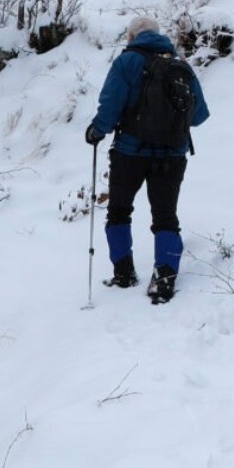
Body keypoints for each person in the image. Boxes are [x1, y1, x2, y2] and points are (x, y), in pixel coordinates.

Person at [84, 16, 209, 304]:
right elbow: (199, 115)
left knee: (118, 211)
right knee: (165, 217)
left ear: (131, 36)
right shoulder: (181, 66)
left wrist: (96, 131)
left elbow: (110, 105)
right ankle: (164, 281)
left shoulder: (126, 62)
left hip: (130, 152)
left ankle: (124, 274)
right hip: (172, 155)